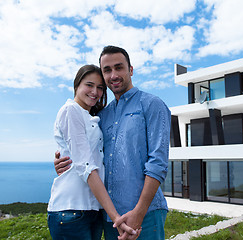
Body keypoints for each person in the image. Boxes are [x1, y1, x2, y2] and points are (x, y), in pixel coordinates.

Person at [55, 46, 171, 240]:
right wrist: (62, 160)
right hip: (110, 218)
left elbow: (158, 163)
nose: (113, 74)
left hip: (146, 214)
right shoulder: (101, 116)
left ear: (131, 70)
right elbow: (85, 152)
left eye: (119, 67)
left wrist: (139, 213)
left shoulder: (152, 104)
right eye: (107, 70)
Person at [48, 64, 139, 240]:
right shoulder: (70, 110)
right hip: (71, 210)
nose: (95, 92)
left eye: (100, 88)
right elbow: (87, 166)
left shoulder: (91, 117)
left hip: (92, 210)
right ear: (77, 85)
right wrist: (116, 219)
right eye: (89, 85)